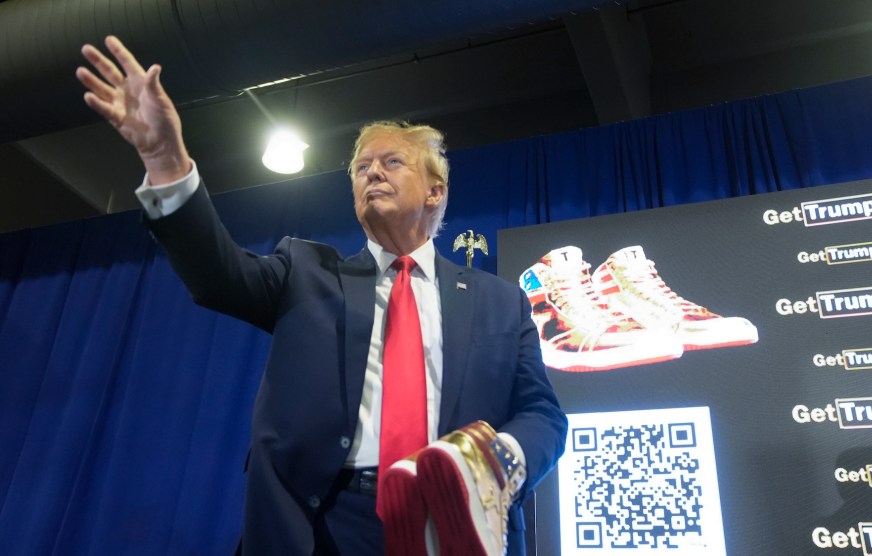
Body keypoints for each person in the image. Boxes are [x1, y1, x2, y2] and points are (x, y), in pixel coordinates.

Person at [76, 36, 568, 556]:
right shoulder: (305, 271)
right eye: (361, 166)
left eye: (392, 162)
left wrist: (496, 463)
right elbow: (215, 273)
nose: (372, 171)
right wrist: (165, 160)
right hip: (321, 527)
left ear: (435, 191)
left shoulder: (499, 302)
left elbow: (543, 415)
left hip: (451, 523)